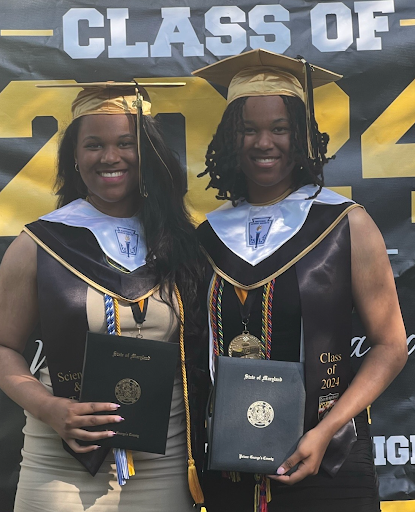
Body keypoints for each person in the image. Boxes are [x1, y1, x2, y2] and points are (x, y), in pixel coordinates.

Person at [193, 49, 407, 512]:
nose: (263, 142)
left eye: (279, 128)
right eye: (248, 129)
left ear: (303, 135)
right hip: (231, 470)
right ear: (231, 138)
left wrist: (326, 430)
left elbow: (390, 346)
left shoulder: (345, 223)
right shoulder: (208, 237)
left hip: (329, 461)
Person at [0, 82, 208, 512]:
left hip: (163, 464)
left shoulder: (183, 244)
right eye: (93, 145)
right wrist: (50, 407)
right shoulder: (41, 242)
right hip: (61, 464)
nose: (109, 157)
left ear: (147, 153)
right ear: (74, 157)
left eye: (125, 144)